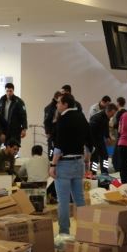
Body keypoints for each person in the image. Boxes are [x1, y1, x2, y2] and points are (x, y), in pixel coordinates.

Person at [50, 93, 91, 236]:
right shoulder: (81, 116)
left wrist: (53, 165)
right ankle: (86, 230)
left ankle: (64, 232)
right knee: (79, 198)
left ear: (65, 104)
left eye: (58, 102)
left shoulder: (63, 119)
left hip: (64, 164)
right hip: (79, 162)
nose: (57, 105)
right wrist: (87, 158)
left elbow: (59, 145)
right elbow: (89, 139)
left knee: (63, 201)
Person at [89, 103, 117, 174]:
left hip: (100, 140)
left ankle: (104, 171)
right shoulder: (96, 118)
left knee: (105, 156)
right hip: (94, 141)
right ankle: (93, 172)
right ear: (108, 111)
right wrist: (91, 144)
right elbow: (90, 131)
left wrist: (107, 137)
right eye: (112, 113)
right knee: (95, 158)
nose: (113, 115)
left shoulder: (106, 117)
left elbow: (106, 128)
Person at [110, 97, 127, 171]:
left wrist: (111, 125)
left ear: (118, 103)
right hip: (123, 135)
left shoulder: (120, 112)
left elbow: (118, 125)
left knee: (116, 153)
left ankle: (117, 167)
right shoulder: (126, 112)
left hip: (120, 135)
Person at [43, 91, 62, 157]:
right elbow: (46, 121)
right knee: (51, 151)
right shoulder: (49, 108)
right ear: (56, 98)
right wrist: (48, 132)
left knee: (58, 150)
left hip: (58, 133)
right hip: (52, 133)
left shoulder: (60, 106)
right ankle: (51, 161)